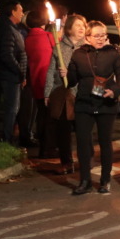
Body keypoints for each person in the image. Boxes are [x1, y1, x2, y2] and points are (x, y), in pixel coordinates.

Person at [67, 21, 120, 195]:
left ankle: (105, 180)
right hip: (84, 103)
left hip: (106, 103)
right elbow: (72, 81)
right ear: (88, 37)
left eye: (103, 35)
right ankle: (85, 180)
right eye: (97, 35)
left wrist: (115, 90)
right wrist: (66, 72)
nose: (101, 39)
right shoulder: (78, 54)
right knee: (82, 143)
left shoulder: (113, 54)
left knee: (105, 142)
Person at [44, 14, 86, 173]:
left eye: (83, 25)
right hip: (62, 93)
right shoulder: (59, 48)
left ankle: (85, 160)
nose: (81, 28)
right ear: (68, 29)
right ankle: (66, 162)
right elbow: (50, 72)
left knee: (83, 130)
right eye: (77, 25)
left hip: (81, 93)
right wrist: (48, 92)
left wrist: (70, 73)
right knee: (63, 131)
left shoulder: (87, 48)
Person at [0, 1, 28, 144]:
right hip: (10, 76)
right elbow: (7, 54)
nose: (22, 13)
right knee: (12, 108)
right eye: (20, 10)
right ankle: (7, 138)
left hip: (14, 75)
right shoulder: (9, 30)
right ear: (13, 12)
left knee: (14, 108)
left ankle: (8, 137)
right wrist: (19, 71)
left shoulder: (14, 29)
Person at [23, 7, 53, 156]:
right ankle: (49, 147)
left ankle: (43, 147)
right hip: (49, 82)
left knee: (41, 115)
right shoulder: (47, 36)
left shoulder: (28, 38)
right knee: (51, 116)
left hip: (35, 80)